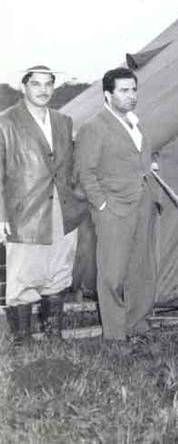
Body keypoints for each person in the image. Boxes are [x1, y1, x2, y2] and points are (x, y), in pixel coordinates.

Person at [0, 65, 84, 344]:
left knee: (58, 270)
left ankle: (53, 334)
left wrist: (76, 197)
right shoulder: (6, 122)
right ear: (23, 87)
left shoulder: (63, 121)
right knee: (23, 274)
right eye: (36, 84)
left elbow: (70, 165)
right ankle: (22, 339)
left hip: (62, 208)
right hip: (24, 212)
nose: (43, 89)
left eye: (48, 84)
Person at [75, 68, 156, 341]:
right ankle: (115, 336)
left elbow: (135, 161)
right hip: (113, 210)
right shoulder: (93, 127)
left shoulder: (136, 123)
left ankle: (138, 326)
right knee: (112, 274)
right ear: (108, 95)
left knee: (143, 269)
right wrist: (101, 206)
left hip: (143, 204)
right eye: (124, 90)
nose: (131, 96)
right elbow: (84, 172)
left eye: (134, 90)